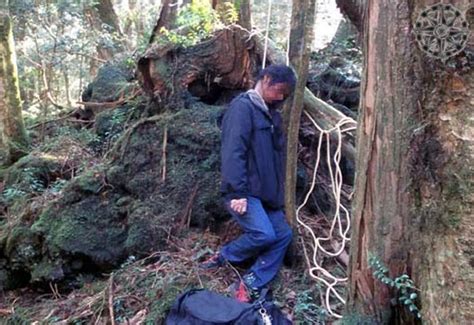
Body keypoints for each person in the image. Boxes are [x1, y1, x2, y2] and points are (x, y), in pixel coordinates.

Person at [200, 64, 297, 302]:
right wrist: (236, 193)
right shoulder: (243, 108)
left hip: (266, 196)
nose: (281, 97)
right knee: (264, 234)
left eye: (285, 94)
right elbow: (234, 151)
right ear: (266, 79)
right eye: (279, 90)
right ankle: (223, 256)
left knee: (283, 235)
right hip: (245, 193)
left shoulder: (270, 114)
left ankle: (251, 280)